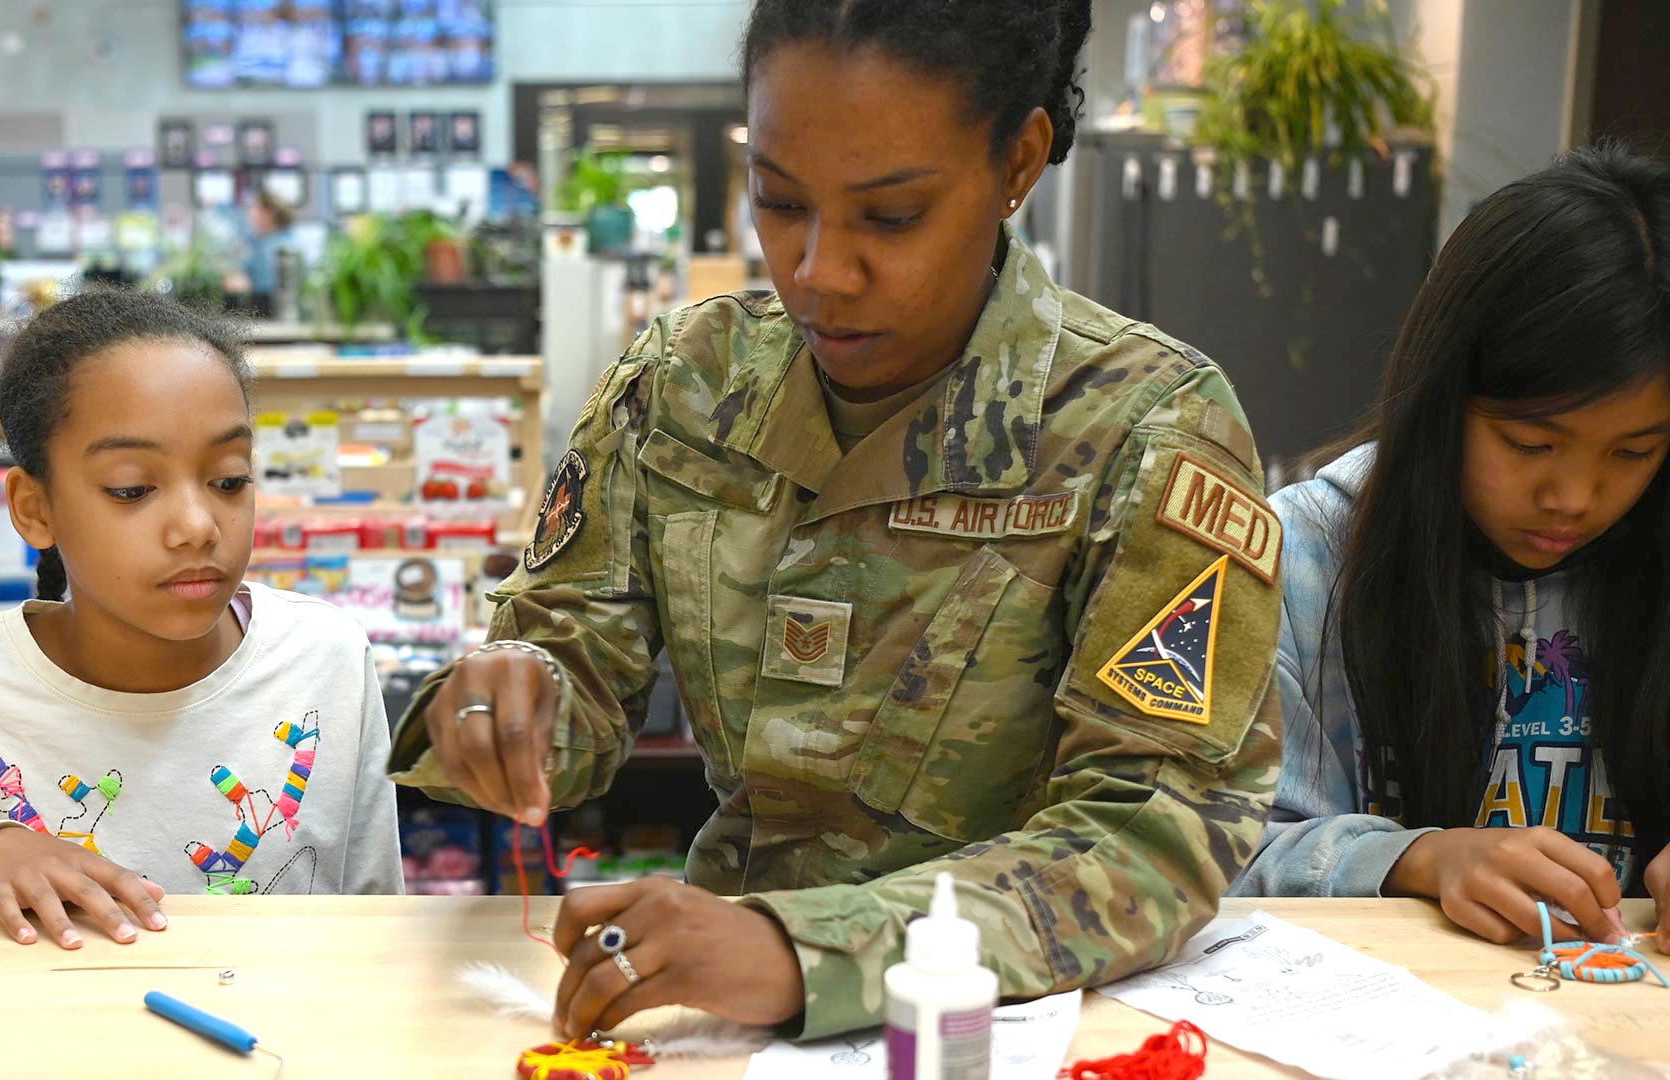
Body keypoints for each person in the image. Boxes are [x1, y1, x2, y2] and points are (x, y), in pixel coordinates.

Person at [390, 0, 1281, 1040]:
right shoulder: (685, 382)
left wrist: (805, 951)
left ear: (1018, 164)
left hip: (1021, 1023)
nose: (818, 270)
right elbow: (573, 657)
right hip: (715, 1016)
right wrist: (508, 704)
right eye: (776, 200)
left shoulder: (1147, 425)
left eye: (891, 216)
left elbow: (1156, 829)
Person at [0, 289, 403, 946]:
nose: (197, 527)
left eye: (228, 479)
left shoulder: (326, 659)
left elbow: (379, 932)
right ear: (34, 509)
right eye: (133, 489)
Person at [1233, 144, 1670, 950]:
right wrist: (1417, 858)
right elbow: (1218, 851)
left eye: (1634, 452)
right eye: (1531, 444)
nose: (1574, 497)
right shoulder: (1297, 557)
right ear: (1441, 399)